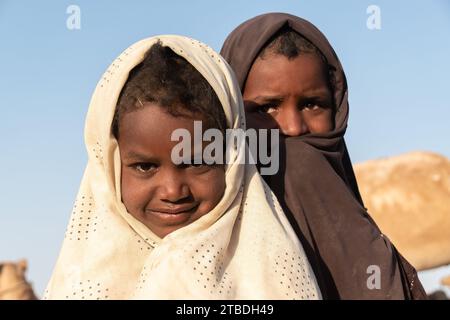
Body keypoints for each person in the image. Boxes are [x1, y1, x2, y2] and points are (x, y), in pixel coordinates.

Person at [43, 35, 321, 299]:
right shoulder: (78, 282)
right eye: (145, 167)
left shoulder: (273, 270)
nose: (173, 191)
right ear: (110, 166)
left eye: (197, 162)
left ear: (232, 158)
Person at [221, 12, 427, 299]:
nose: (293, 128)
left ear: (337, 108)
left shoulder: (367, 242)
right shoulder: (203, 247)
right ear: (231, 114)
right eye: (267, 108)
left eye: (312, 104)